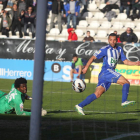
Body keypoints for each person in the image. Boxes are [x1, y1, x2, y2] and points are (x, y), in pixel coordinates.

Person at [75, 33, 140, 115]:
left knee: (97, 94)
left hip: (105, 75)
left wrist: (136, 63)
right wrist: (86, 68)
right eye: (111, 40)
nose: (112, 41)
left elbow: (125, 61)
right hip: (107, 71)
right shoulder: (105, 49)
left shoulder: (119, 49)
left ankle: (79, 106)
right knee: (126, 82)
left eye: (114, 40)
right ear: (108, 40)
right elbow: (92, 58)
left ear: (117, 40)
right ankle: (124, 101)